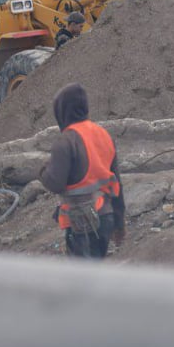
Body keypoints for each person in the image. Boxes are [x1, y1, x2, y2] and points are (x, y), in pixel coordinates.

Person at [39, 83, 125, 258]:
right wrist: (119, 223)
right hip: (106, 217)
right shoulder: (103, 134)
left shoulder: (66, 141)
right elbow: (117, 184)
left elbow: (55, 183)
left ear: (61, 111)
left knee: (83, 282)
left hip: (82, 224)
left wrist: (41, 171)